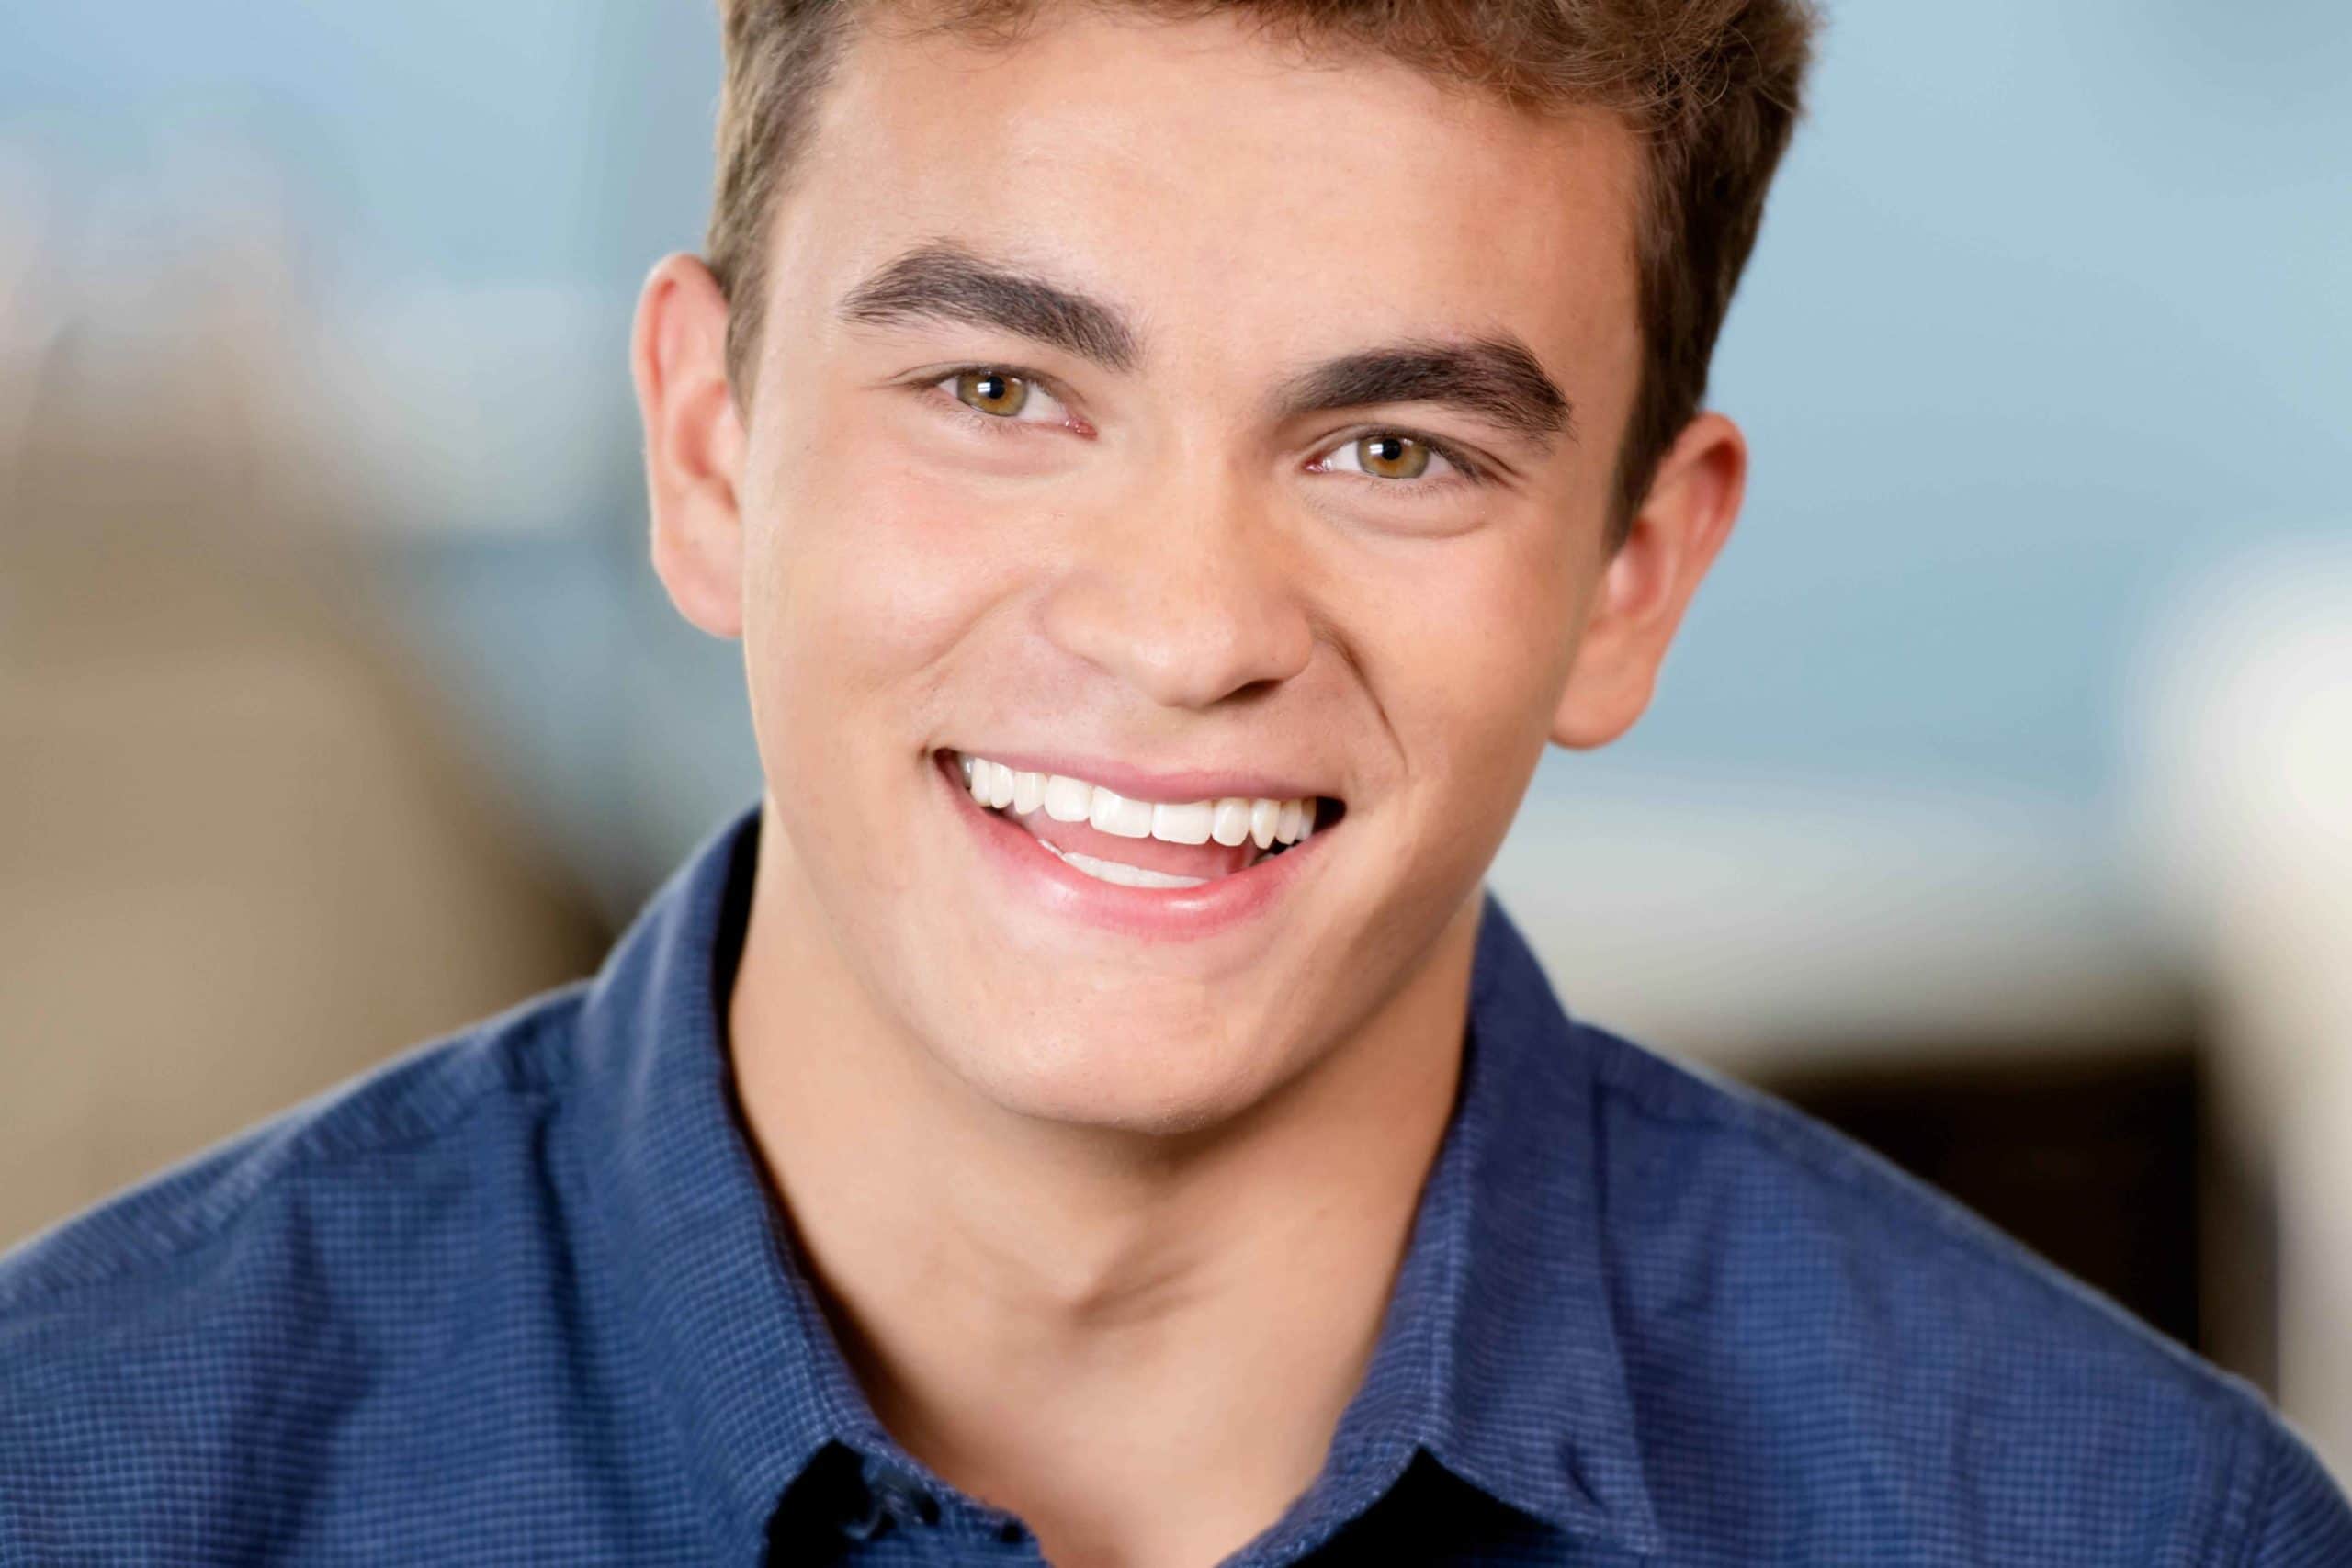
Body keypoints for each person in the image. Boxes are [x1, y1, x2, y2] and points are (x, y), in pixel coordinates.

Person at [4, 1, 2347, 1562]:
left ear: (1633, 569)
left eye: (1393, 445)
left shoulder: (2113, 1525)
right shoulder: (81, 1474)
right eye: (1000, 392)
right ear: (710, 444)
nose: (1182, 623)